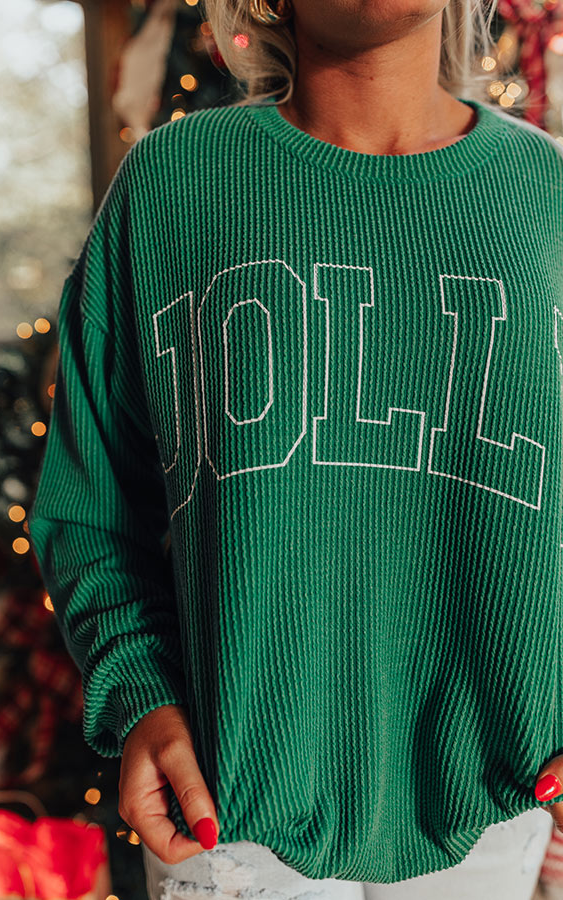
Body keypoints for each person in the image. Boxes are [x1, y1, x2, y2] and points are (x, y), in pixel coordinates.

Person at [28, 0, 563, 897]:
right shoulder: (175, 183)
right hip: (224, 813)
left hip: (499, 804)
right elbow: (89, 507)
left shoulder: (546, 192)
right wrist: (142, 696)